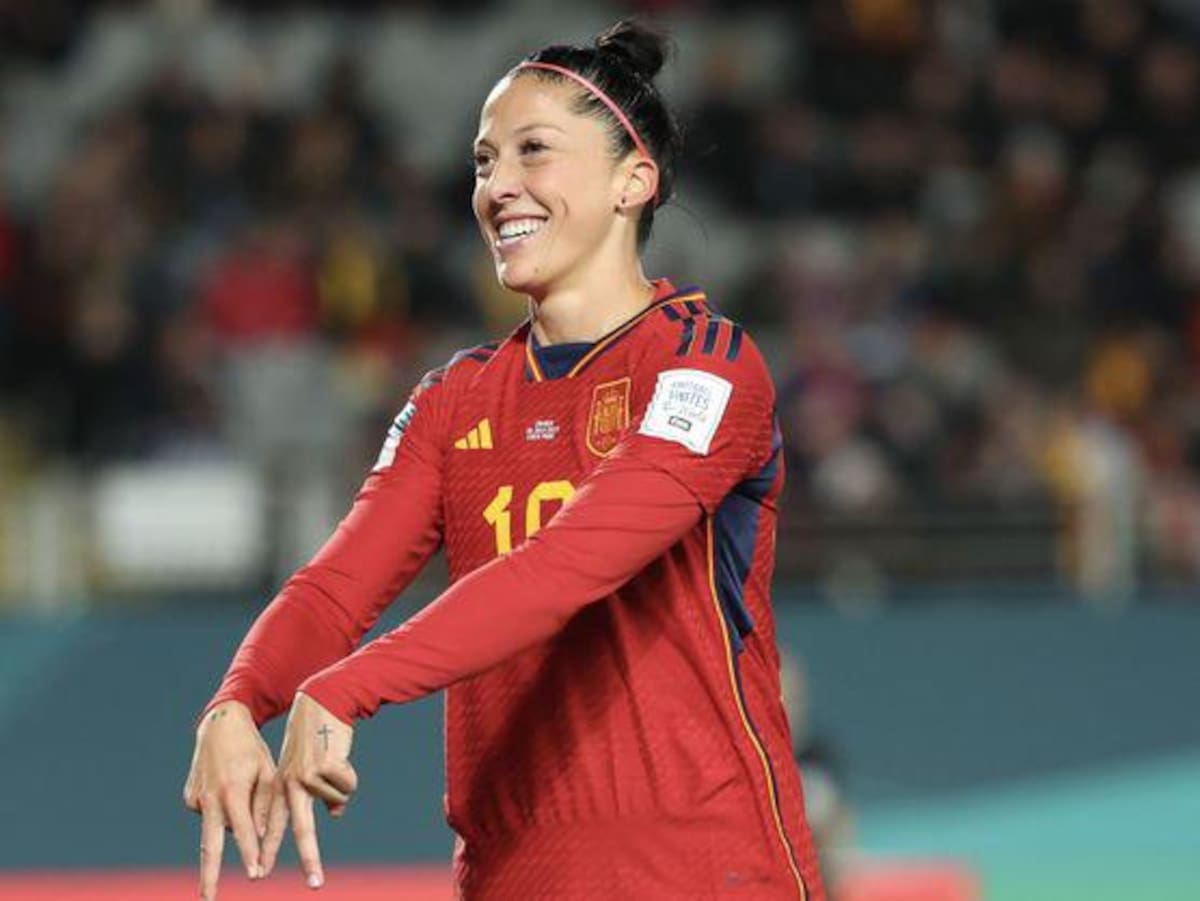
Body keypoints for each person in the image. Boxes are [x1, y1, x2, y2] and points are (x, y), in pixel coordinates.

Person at [183, 20, 826, 901]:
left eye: (534, 150)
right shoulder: (454, 399)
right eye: (484, 162)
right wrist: (235, 701)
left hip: (702, 874)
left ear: (633, 181)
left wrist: (347, 687)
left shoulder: (705, 365)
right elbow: (334, 589)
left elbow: (568, 565)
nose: (498, 186)